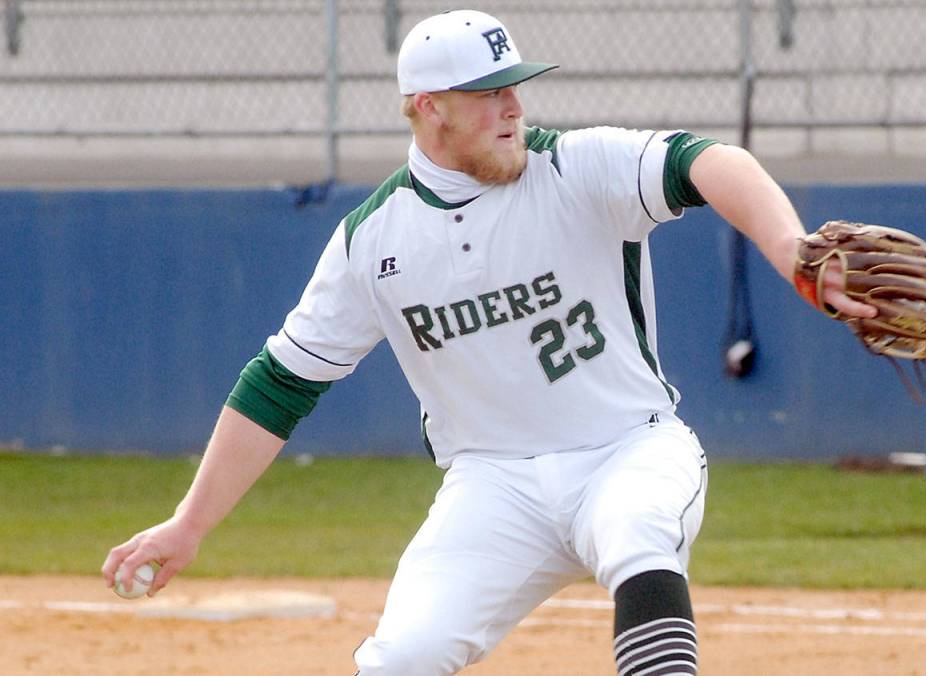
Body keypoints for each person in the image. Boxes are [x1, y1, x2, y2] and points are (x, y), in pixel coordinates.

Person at [103, 10, 876, 675]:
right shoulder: (372, 242)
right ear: (427, 106)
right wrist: (189, 524)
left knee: (640, 536)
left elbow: (707, 161)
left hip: (627, 451)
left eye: (514, 86)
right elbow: (281, 383)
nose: (512, 106)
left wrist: (792, 251)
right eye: (488, 93)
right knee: (402, 656)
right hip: (493, 485)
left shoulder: (574, 168)